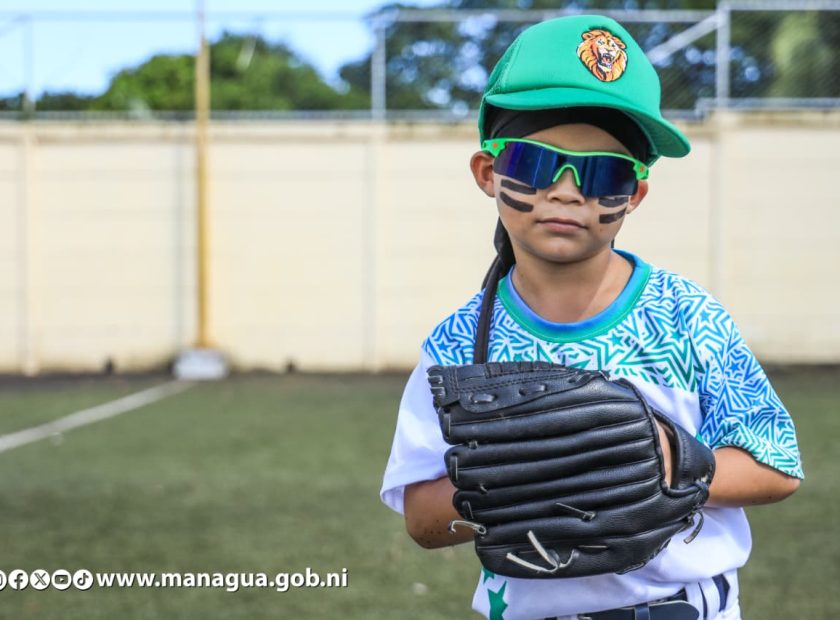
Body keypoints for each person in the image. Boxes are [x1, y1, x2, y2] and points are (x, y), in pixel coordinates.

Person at [380, 14, 803, 620]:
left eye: (604, 171)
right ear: (489, 173)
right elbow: (423, 519)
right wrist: (524, 481)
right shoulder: (457, 344)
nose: (566, 190)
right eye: (534, 163)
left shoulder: (687, 316)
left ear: (635, 194)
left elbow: (776, 465)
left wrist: (666, 462)